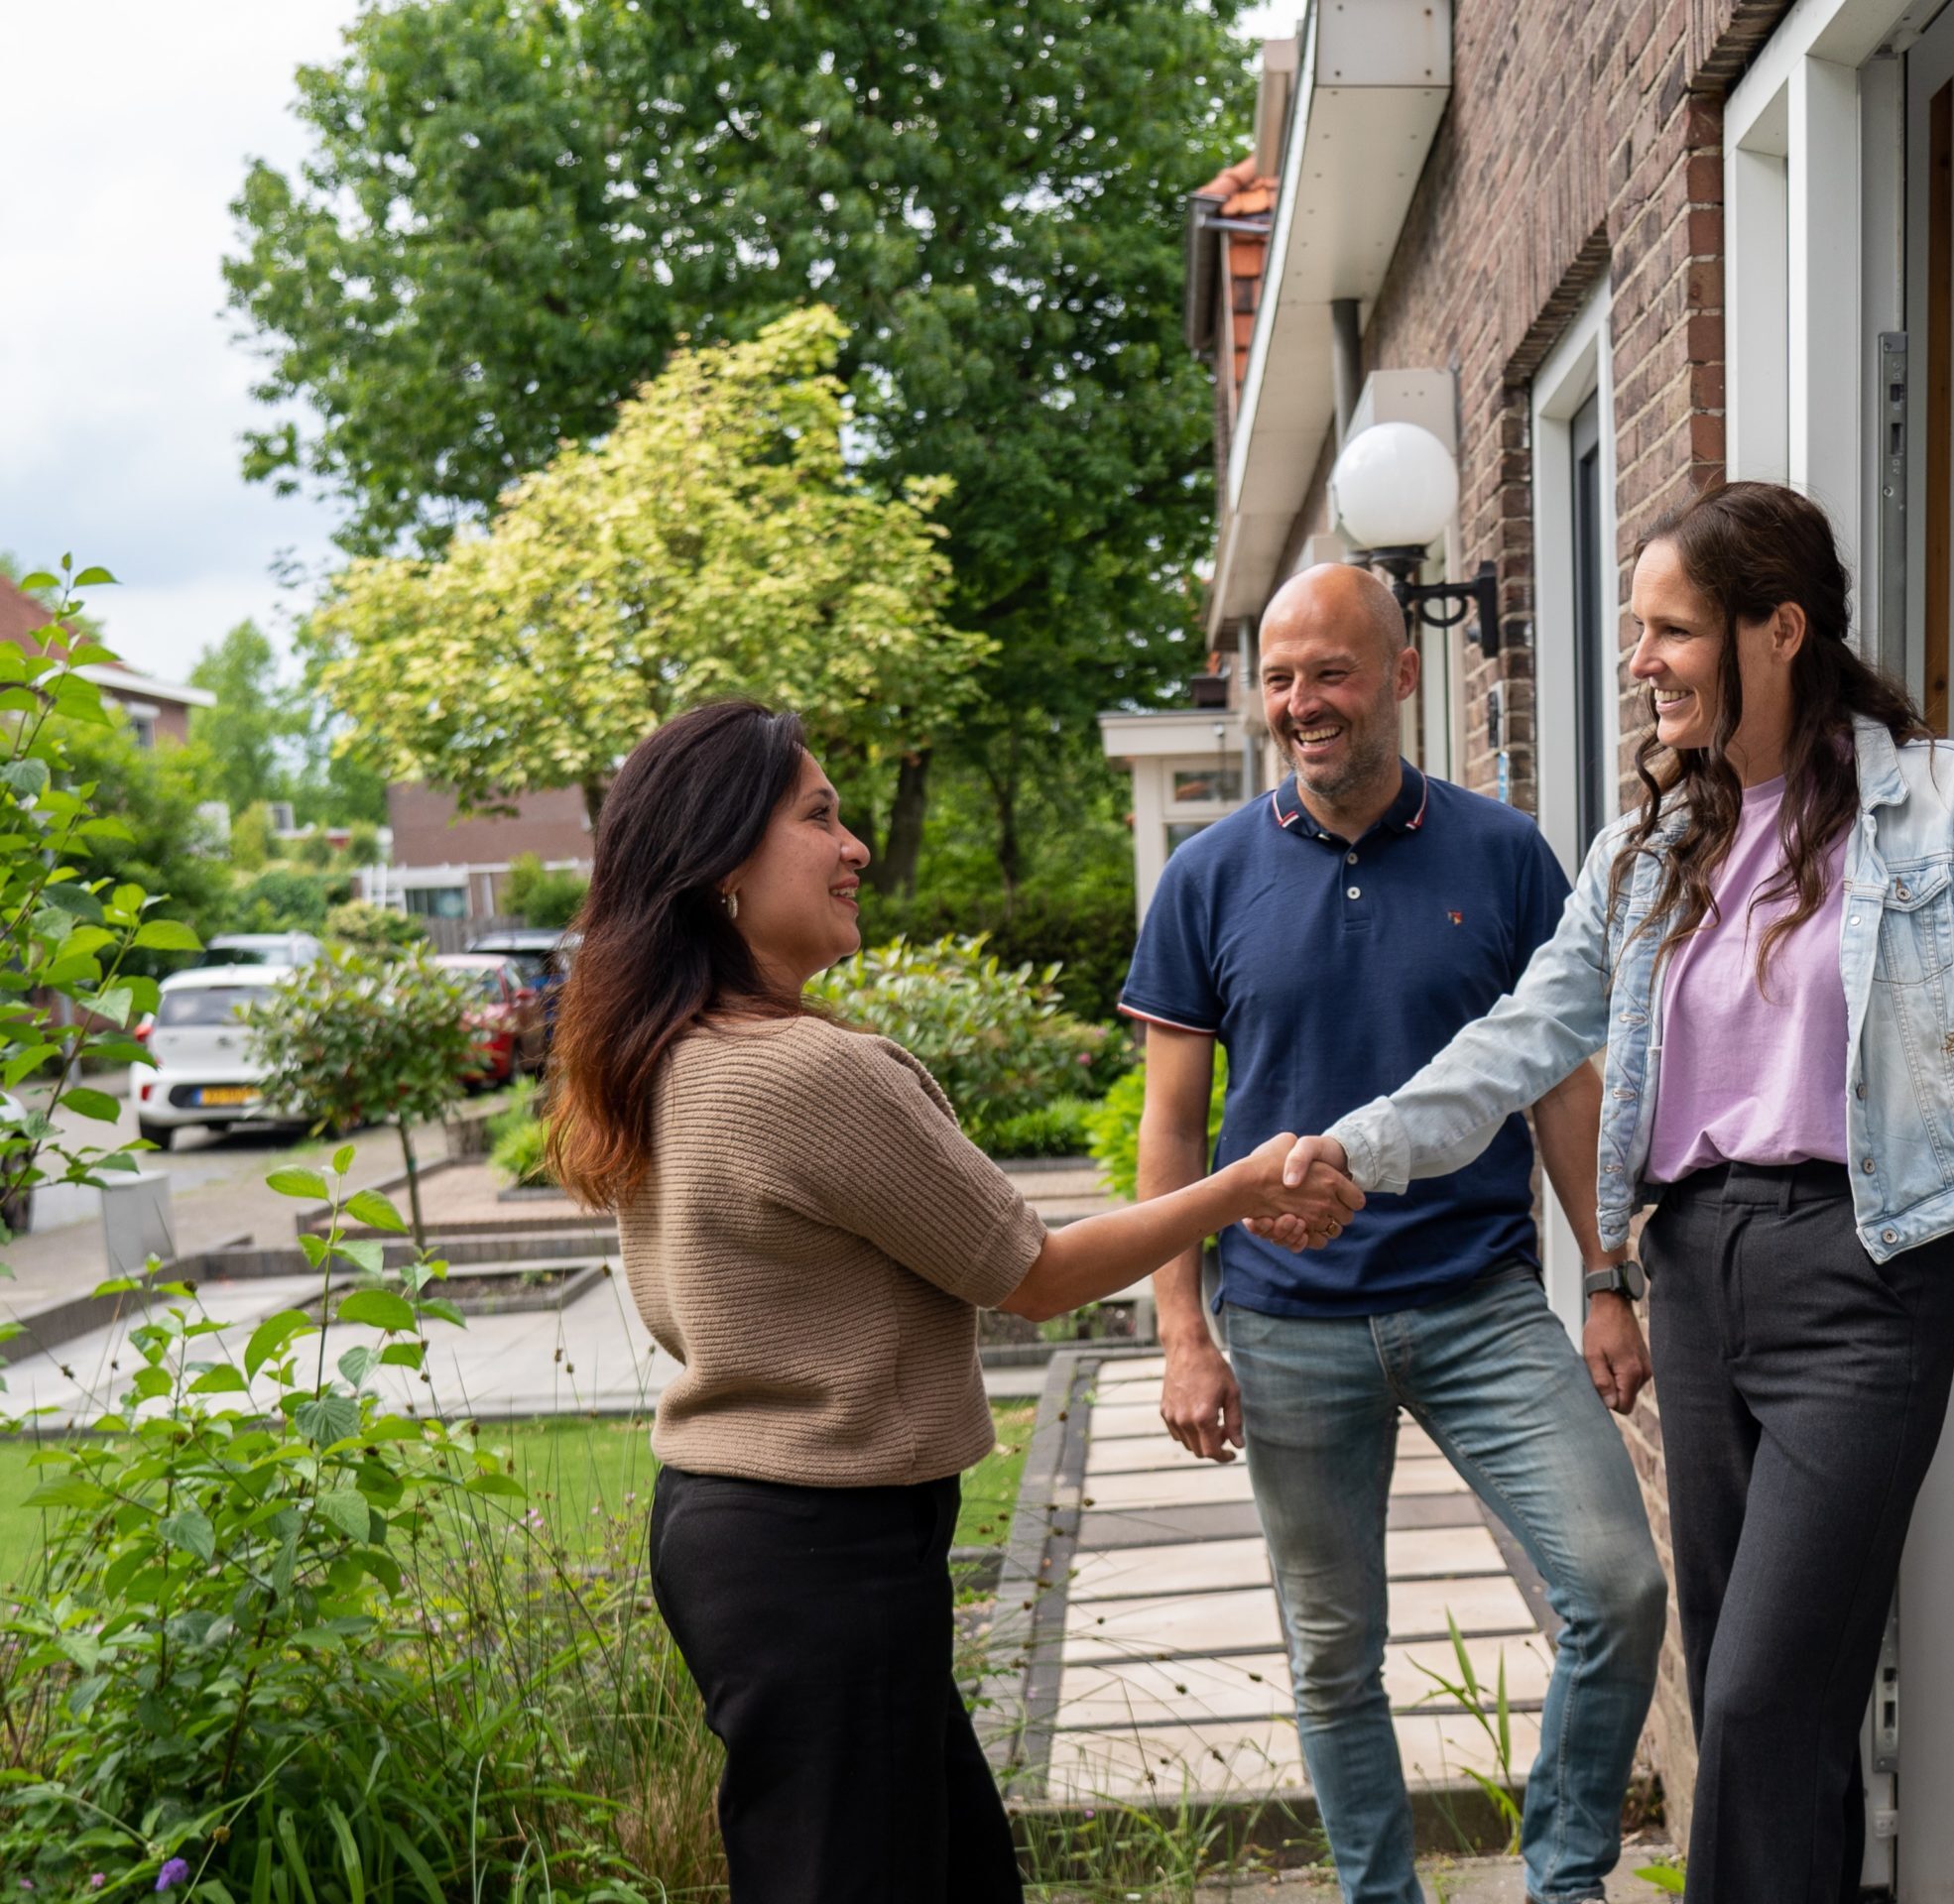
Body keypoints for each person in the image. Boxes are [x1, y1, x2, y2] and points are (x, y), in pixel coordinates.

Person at [1283, 483, 1954, 1904]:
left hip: (1867, 1272)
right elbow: (1521, 1040)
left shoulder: (1939, 810)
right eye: (1638, 632)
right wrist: (1361, 1146)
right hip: (1702, 1274)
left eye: (1671, 630)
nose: (1643, 661)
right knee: (1759, 1693)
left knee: (1756, 1703)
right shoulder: (1649, 850)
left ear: (1776, 631)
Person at [544, 700, 1363, 1904]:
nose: (855, 844)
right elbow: (1033, 1275)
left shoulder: (663, 1049)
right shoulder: (808, 1072)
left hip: (743, 1531)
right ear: (722, 864)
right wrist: (1237, 1186)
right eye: (817, 816)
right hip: (823, 1548)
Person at [1122, 564, 1667, 1904]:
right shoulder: (1208, 878)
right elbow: (1173, 1132)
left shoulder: (1503, 856)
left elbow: (1558, 1081)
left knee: (1618, 1588)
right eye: (1281, 679)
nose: (1303, 704)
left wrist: (1604, 1282)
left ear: (1402, 675)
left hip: (1478, 1304)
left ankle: (1567, 1876)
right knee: (1331, 1654)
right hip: (1285, 1323)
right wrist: (1183, 1334)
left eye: (1332, 672)